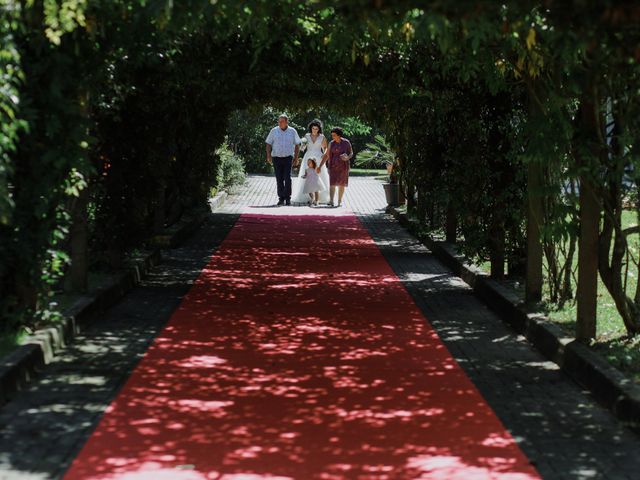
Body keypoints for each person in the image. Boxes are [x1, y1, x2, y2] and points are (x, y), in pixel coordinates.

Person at [265, 114, 301, 206]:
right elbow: (268, 143)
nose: (280, 123)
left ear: (286, 122)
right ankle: (281, 198)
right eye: (279, 121)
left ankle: (288, 198)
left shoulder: (292, 131)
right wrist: (268, 155)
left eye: (282, 121)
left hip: (288, 158)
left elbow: (297, 144)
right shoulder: (274, 131)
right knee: (279, 178)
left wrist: (296, 158)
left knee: (287, 178)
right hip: (276, 158)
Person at [292, 119, 329, 204]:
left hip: (318, 158)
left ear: (319, 129)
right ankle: (308, 197)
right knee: (308, 176)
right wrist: (302, 145)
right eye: (313, 128)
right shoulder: (307, 136)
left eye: (316, 129)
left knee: (319, 176)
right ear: (311, 128)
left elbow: (325, 147)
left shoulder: (322, 137)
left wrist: (325, 153)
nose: (315, 130)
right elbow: (302, 149)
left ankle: (320, 197)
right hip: (308, 157)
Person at [319, 127, 353, 207]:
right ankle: (331, 201)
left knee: (341, 184)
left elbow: (351, 153)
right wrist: (320, 165)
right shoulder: (331, 143)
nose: (332, 137)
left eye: (334, 135)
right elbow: (327, 155)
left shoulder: (346, 142)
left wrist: (347, 157)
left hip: (344, 166)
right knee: (332, 184)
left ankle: (339, 201)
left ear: (339, 135)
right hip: (333, 166)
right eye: (332, 135)